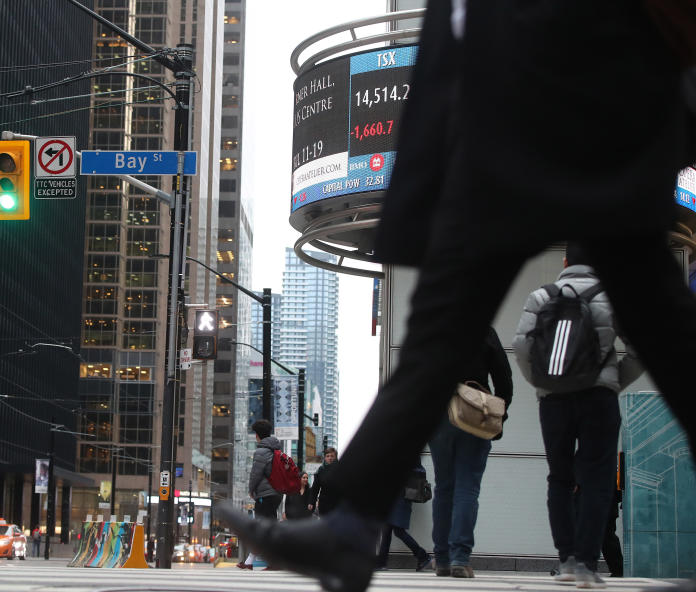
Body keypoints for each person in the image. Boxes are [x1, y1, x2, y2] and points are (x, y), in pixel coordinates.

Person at [216, 2, 696, 591]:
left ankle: (346, 528)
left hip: (589, 111)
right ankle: (347, 526)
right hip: (507, 136)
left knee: (660, 325)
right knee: (437, 341)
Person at [514, 244, 643, 588]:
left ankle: (567, 560)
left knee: (559, 477)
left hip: (554, 400)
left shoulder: (541, 296)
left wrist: (543, 384)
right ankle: (587, 563)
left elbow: (523, 348)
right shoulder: (613, 296)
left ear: (566, 261)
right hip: (599, 398)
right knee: (597, 478)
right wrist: (612, 382)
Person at [430, 326, 512, 578]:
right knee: (467, 487)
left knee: (444, 487)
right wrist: (500, 413)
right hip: (475, 412)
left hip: (439, 414)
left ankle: (441, 558)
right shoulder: (484, 329)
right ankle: (460, 558)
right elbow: (503, 375)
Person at [236, 419, 283, 570]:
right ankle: (250, 561)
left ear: (257, 435)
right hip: (276, 494)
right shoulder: (277, 450)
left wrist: (251, 490)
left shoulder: (261, 451)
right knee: (265, 528)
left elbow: (256, 474)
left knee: (263, 529)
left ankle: (273, 561)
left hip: (265, 494)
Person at [374, 463, 432, 572]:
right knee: (387, 530)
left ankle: (423, 556)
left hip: (400, 497)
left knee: (398, 531)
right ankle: (381, 563)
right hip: (396, 497)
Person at [308, 448, 340, 515]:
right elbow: (315, 488)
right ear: (325, 458)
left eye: (332, 456)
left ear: (336, 457)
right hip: (324, 504)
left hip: (338, 504)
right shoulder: (321, 470)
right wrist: (311, 502)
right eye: (327, 456)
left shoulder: (341, 469)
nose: (330, 458)